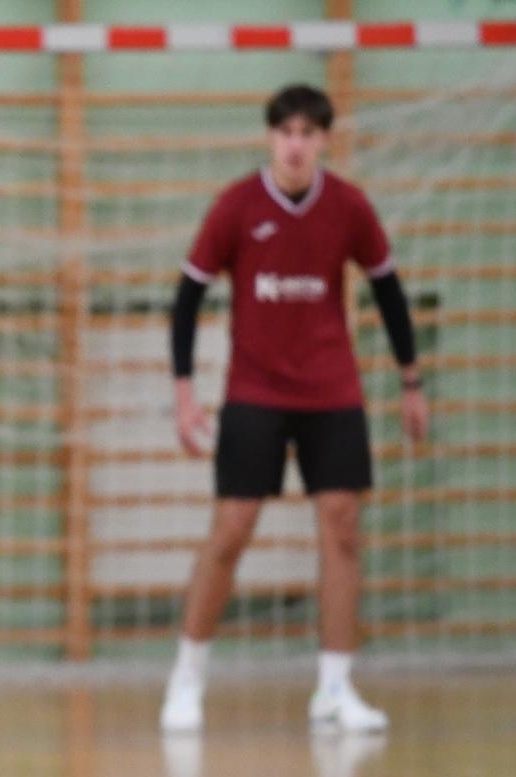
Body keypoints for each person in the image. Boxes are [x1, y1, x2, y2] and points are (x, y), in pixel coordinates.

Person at [160, 85, 429, 734]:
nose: (296, 143)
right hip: (255, 390)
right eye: (286, 131)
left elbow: (389, 291)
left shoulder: (349, 208)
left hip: (331, 389)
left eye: (309, 132)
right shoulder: (237, 206)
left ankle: (335, 688)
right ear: (270, 138)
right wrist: (185, 390)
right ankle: (188, 674)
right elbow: (188, 298)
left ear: (325, 140)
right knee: (232, 528)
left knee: (342, 526)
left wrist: (411, 381)